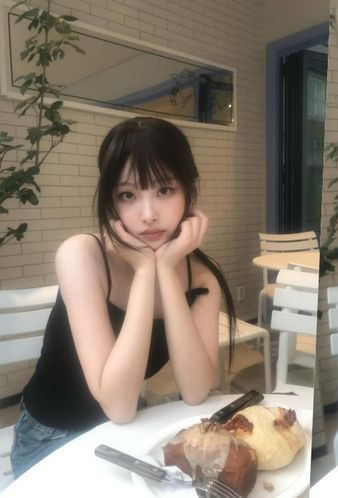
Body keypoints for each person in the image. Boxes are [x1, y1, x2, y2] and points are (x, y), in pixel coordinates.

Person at [10, 116, 236, 477]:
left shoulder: (201, 275)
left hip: (127, 433)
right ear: (111, 202)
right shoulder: (82, 256)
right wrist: (145, 271)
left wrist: (166, 269)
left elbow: (195, 392)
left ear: (189, 191)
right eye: (128, 195)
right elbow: (117, 405)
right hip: (52, 437)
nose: (148, 215)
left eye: (164, 190)